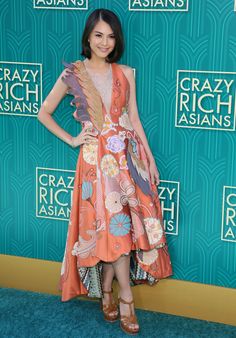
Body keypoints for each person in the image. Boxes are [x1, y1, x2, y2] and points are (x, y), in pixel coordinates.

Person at [38, 8, 172, 335]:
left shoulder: (125, 72)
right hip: (94, 164)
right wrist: (72, 139)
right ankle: (126, 298)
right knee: (111, 230)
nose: (104, 42)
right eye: (98, 35)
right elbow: (43, 112)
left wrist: (150, 159)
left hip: (126, 161)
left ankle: (108, 290)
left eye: (111, 36)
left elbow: (135, 119)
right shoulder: (74, 73)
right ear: (87, 37)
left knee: (122, 230)